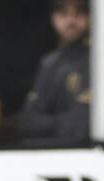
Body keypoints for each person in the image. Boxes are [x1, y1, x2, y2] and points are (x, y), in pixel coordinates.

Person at [17, 0, 91, 142]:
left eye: (79, 12)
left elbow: (83, 126)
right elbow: (28, 122)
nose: (71, 20)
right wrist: (62, 122)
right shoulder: (49, 63)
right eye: (63, 13)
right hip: (52, 155)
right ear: (53, 18)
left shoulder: (102, 64)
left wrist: (48, 122)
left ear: (91, 17)